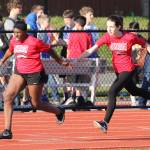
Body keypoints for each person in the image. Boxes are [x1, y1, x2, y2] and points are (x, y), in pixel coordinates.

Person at [80, 15, 150, 133]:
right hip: (118, 70)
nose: (109, 29)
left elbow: (145, 44)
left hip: (128, 69)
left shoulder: (129, 37)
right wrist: (77, 58)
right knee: (135, 91)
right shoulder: (107, 37)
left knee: (112, 91)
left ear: (119, 26)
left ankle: (105, 123)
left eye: (112, 27)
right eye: (107, 26)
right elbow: (91, 49)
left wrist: (144, 52)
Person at [0, 21, 69, 139]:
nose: (15, 35)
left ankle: (58, 111)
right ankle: (7, 131)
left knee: (36, 104)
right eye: (14, 32)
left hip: (35, 73)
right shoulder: (13, 40)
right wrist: (2, 60)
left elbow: (49, 50)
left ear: (25, 32)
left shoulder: (34, 41)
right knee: (7, 97)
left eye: (18, 33)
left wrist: (60, 61)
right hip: (20, 72)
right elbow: (10, 50)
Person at [66, 15, 92, 105]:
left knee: (73, 80)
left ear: (77, 24)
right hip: (83, 61)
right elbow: (89, 49)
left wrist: (67, 59)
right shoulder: (88, 34)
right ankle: (79, 97)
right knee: (81, 80)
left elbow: (68, 49)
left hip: (73, 60)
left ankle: (74, 97)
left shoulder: (73, 34)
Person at [37, 14, 60, 104]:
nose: (49, 23)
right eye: (48, 22)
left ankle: (52, 97)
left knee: (49, 79)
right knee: (50, 79)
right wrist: (55, 42)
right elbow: (44, 45)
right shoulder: (41, 32)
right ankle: (54, 97)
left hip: (47, 58)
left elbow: (48, 44)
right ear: (43, 22)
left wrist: (55, 39)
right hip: (43, 58)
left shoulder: (46, 32)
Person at [57, 9, 75, 103]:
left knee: (73, 75)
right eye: (65, 20)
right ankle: (66, 96)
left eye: (68, 19)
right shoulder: (62, 29)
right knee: (64, 76)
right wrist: (65, 43)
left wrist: (70, 43)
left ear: (72, 19)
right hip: (64, 53)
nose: (66, 22)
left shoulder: (76, 28)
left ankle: (73, 96)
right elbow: (60, 40)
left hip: (74, 54)